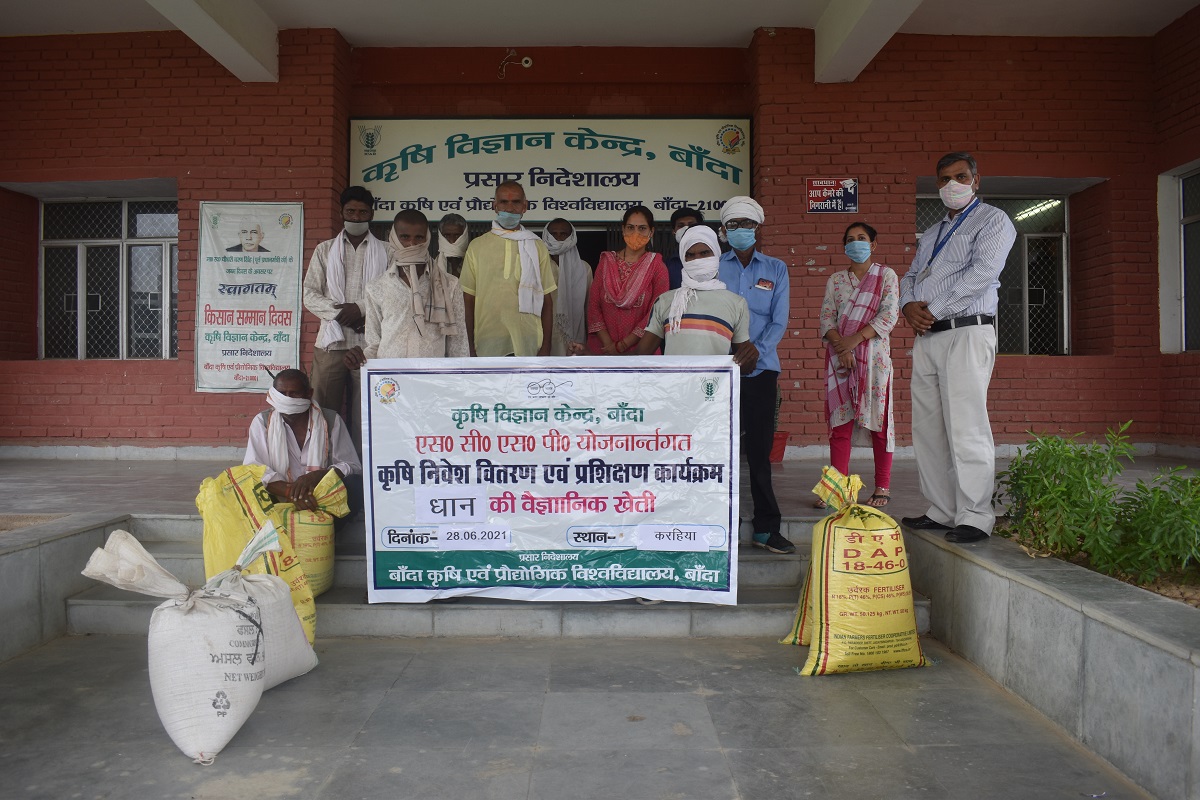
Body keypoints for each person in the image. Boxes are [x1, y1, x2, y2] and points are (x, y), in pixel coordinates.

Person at [899, 152, 1017, 544]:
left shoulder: (993, 220)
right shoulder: (933, 232)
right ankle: (942, 509)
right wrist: (907, 306)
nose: (953, 185)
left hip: (966, 331)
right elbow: (911, 275)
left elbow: (983, 273)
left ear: (976, 180)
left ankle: (976, 516)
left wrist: (932, 310)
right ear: (937, 184)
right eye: (945, 178)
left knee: (966, 426)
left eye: (961, 177)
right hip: (928, 336)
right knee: (928, 429)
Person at [717, 196, 793, 555]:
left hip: (761, 370)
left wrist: (755, 352)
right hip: (721, 371)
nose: (741, 230)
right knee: (720, 450)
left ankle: (766, 528)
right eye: (733, 225)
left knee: (760, 453)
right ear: (724, 230)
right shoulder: (714, 266)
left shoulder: (776, 269)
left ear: (757, 228)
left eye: (747, 224)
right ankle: (721, 524)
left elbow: (779, 320)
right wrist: (731, 355)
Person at [818, 221, 898, 508]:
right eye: (850, 239)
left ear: (873, 244)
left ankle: (882, 487)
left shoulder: (885, 276)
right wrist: (842, 347)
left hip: (875, 361)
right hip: (840, 359)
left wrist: (853, 341)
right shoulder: (836, 280)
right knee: (840, 424)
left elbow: (889, 315)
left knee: (879, 423)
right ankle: (837, 489)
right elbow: (826, 317)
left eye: (861, 238)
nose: (856, 243)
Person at [302, 186, 388, 453]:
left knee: (367, 411)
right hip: (332, 343)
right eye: (351, 211)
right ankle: (325, 461)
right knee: (325, 409)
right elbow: (309, 294)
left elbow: (391, 292)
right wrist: (343, 314)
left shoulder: (388, 252)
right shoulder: (325, 250)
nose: (356, 217)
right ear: (341, 212)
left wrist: (360, 309)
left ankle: (362, 465)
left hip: (371, 344)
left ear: (371, 213)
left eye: (362, 212)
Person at [343, 209, 469, 367]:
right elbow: (374, 343)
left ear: (427, 238)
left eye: (419, 237)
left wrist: (459, 376)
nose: (412, 244)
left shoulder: (450, 284)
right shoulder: (376, 287)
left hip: (432, 375)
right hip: (390, 376)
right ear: (393, 237)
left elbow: (458, 342)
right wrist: (360, 360)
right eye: (404, 237)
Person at [243, 369, 362, 515]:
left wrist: (317, 476)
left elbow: (351, 465)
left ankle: (326, 525)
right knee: (246, 489)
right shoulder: (262, 422)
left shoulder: (330, 420)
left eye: (294, 393)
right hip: (280, 496)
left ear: (309, 393)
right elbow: (255, 470)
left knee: (355, 484)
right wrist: (293, 493)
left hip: (322, 495)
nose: (287, 399)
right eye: (282, 394)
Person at [461, 181, 557, 357]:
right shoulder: (477, 246)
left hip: (528, 341)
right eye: (504, 202)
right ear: (495, 206)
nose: (510, 208)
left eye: (516, 202)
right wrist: (469, 348)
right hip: (487, 341)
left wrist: (546, 347)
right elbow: (468, 300)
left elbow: (547, 300)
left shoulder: (537, 246)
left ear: (525, 206)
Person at [639, 224, 754, 368]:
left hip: (713, 382)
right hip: (674, 382)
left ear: (716, 254)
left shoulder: (736, 303)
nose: (697, 259)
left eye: (704, 253)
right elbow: (641, 355)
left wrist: (751, 356)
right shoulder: (665, 301)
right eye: (690, 255)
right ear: (683, 259)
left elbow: (744, 366)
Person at [586, 205, 668, 355]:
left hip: (641, 350)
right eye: (630, 228)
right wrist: (609, 345)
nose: (636, 233)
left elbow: (656, 312)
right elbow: (594, 306)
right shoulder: (606, 263)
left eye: (642, 228)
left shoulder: (657, 267)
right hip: (604, 349)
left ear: (651, 232)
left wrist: (623, 345)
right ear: (623, 230)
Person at [541, 218, 592, 355]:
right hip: (543, 338)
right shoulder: (538, 267)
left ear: (572, 237)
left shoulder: (584, 269)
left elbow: (589, 307)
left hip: (574, 337)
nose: (558, 238)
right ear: (546, 236)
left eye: (563, 234)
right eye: (553, 234)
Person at [664, 207, 704, 290]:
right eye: (680, 226)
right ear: (673, 231)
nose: (686, 229)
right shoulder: (667, 265)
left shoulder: (715, 259)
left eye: (691, 224)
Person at [434, 213, 469, 277]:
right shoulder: (430, 267)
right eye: (447, 235)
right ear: (441, 237)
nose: (452, 241)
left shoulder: (475, 264)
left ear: (464, 237)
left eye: (457, 235)